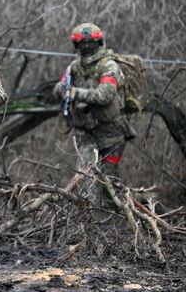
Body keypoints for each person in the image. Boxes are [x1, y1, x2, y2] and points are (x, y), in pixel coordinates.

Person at [54, 23, 135, 203]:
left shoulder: (109, 66)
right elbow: (58, 88)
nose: (87, 47)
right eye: (82, 43)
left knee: (110, 182)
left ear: (98, 42)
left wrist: (74, 93)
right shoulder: (74, 67)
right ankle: (85, 220)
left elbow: (104, 95)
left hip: (112, 131)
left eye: (90, 43)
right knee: (85, 175)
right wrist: (63, 89)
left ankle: (116, 219)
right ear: (77, 45)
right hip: (86, 131)